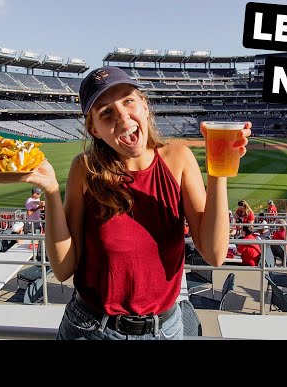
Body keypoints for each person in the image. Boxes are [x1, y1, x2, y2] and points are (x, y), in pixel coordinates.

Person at [20, 66, 251, 340]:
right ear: (94, 128)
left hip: (164, 329)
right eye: (106, 112)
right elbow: (62, 269)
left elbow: (215, 254)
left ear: (144, 104)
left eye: (128, 100)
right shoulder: (84, 169)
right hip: (90, 329)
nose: (122, 116)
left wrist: (219, 170)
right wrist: (51, 192)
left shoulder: (178, 158)